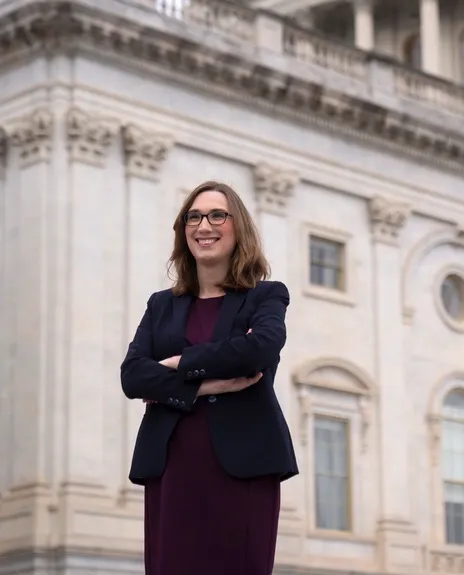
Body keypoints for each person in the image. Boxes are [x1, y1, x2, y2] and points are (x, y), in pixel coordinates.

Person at [120, 180, 299, 575]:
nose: (204, 226)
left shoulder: (266, 295)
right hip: (172, 467)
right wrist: (205, 385)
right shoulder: (161, 305)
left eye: (218, 215)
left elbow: (259, 350)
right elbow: (132, 376)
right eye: (194, 217)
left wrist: (178, 364)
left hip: (244, 466)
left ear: (239, 227)